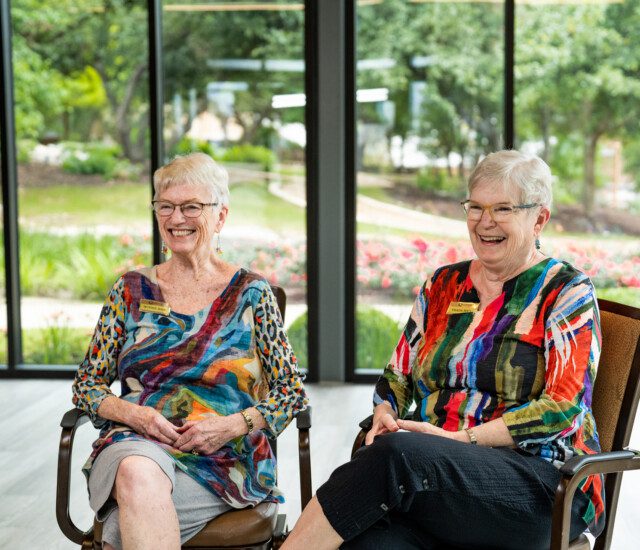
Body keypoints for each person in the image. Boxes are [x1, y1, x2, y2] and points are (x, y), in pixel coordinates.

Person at [283, 150, 604, 550]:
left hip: (539, 486)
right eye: (476, 207)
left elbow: (563, 407)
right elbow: (397, 375)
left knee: (396, 455)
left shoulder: (566, 291)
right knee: (361, 542)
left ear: (539, 218)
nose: (485, 222)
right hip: (434, 483)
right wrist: (385, 411)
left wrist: (462, 441)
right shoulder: (443, 285)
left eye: (502, 208)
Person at [72, 152, 307, 550]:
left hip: (224, 457)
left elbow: (291, 392)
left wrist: (231, 426)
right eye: (166, 206)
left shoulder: (251, 293)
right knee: (135, 473)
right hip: (135, 443)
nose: (176, 218)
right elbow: (87, 385)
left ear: (220, 216)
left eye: (191, 207)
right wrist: (136, 415)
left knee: (120, 530)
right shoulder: (130, 290)